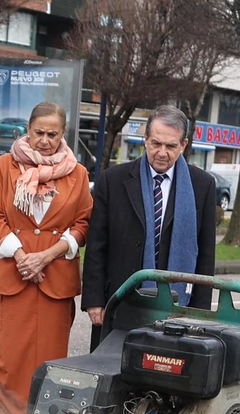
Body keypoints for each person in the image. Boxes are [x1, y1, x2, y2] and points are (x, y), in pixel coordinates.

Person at [0, 101, 92, 414]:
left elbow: (82, 224)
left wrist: (47, 255)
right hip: (11, 279)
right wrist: (21, 256)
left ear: (63, 134)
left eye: (52, 134)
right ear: (27, 130)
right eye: (39, 132)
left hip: (53, 283)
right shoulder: (5, 166)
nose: (45, 140)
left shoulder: (78, 174)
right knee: (6, 359)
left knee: (49, 361)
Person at [81, 105, 220, 335]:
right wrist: (94, 299)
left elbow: (206, 256)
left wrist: (200, 313)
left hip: (177, 311)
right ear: (145, 139)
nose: (162, 152)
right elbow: (97, 245)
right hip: (118, 303)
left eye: (171, 146)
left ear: (183, 145)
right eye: (156, 143)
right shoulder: (112, 180)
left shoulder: (202, 186)